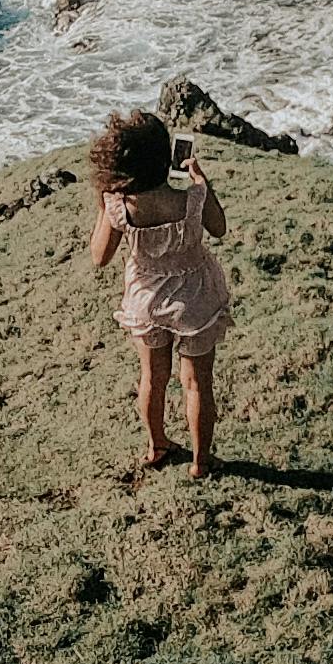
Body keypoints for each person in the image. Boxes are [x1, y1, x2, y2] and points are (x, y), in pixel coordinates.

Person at [86, 109, 232, 477]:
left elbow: (99, 256)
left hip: (146, 300)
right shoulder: (192, 196)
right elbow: (220, 228)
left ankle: (157, 445)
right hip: (195, 298)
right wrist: (202, 183)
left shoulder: (120, 205)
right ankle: (202, 461)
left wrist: (105, 207)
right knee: (197, 383)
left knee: (152, 379)